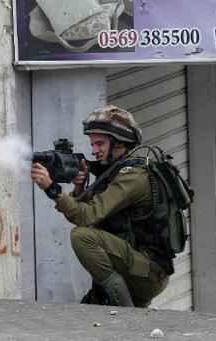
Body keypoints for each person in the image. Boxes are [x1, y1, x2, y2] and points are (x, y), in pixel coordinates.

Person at [31, 105, 170, 307]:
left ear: (119, 143)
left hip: (148, 272)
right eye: (92, 144)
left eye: (100, 144)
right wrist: (79, 188)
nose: (94, 150)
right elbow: (86, 211)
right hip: (136, 264)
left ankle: (125, 313)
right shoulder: (117, 169)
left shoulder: (133, 176)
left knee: (81, 237)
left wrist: (52, 188)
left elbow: (86, 217)